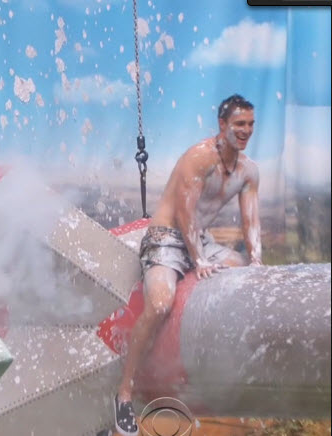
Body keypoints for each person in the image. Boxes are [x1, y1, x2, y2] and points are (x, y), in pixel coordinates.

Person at [113, 94, 262, 436]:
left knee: (244, 270)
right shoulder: (199, 157)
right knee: (160, 303)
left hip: (201, 239)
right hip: (166, 237)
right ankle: (124, 394)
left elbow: (251, 221)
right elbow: (184, 213)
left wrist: (256, 262)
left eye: (251, 124)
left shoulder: (248, 171)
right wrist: (199, 261)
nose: (246, 130)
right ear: (222, 125)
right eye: (239, 124)